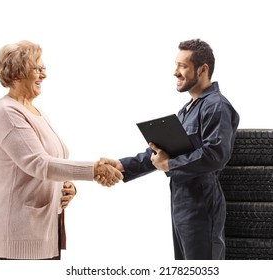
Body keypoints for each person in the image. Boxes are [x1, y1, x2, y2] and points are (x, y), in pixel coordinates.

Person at [100, 39, 240, 260]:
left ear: (203, 69)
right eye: (176, 65)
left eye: (182, 66)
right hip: (182, 205)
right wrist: (122, 165)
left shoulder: (217, 106)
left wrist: (170, 165)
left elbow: (216, 155)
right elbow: (163, 152)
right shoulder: (187, 110)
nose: (175, 72)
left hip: (202, 207)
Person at [0, 40, 123, 260]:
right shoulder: (7, 113)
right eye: (37, 69)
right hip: (20, 232)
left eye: (43, 68)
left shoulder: (32, 111)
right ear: (17, 74)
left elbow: (50, 164)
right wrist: (93, 170)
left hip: (45, 228)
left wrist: (66, 188)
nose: (44, 75)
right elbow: (39, 164)